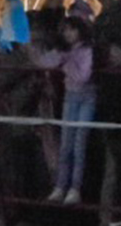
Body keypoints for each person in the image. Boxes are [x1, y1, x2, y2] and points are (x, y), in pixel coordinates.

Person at [34, 15, 96, 204]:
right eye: (65, 30)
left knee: (79, 143)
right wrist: (31, 49)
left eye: (72, 29)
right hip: (70, 97)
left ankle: (75, 187)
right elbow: (44, 61)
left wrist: (65, 64)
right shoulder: (64, 51)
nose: (68, 33)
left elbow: (83, 76)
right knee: (66, 143)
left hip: (86, 97)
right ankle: (60, 186)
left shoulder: (86, 50)